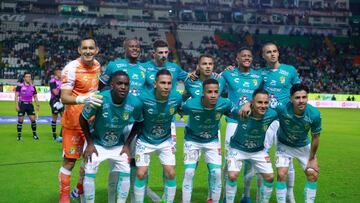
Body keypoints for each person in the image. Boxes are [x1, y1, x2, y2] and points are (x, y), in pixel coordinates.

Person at [240, 43, 300, 203]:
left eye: (274, 51)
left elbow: (298, 92)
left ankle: (290, 196)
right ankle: (248, 194)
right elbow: (253, 92)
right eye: (268, 52)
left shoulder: (290, 71)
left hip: (285, 120)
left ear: (278, 53)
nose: (272, 54)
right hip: (265, 120)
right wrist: (248, 103)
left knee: (288, 158)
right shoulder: (260, 74)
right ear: (264, 56)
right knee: (256, 155)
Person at [80, 71, 143, 203]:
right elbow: (82, 118)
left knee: (126, 170)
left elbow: (139, 122)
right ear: (112, 85)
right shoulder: (100, 98)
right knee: (89, 170)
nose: (123, 87)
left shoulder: (135, 103)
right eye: (119, 83)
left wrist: (126, 144)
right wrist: (90, 143)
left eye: (126, 84)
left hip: (118, 145)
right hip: (97, 142)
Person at [59, 37, 102, 203]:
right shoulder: (71, 68)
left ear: (96, 50)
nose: (88, 51)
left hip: (91, 123)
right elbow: (64, 97)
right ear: (79, 50)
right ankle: (64, 198)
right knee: (70, 162)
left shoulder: (98, 65)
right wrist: (84, 99)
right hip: (73, 123)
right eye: (85, 48)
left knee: (89, 160)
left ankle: (79, 189)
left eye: (91, 48)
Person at [219, 47, 263, 203]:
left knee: (250, 161)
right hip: (233, 121)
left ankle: (246, 195)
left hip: (253, 123)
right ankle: (225, 195)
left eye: (249, 56)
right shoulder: (227, 74)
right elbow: (215, 91)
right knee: (229, 159)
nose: (247, 58)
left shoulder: (259, 76)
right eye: (243, 56)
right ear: (237, 58)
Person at [134, 69, 182, 203]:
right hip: (144, 140)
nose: (166, 86)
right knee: (140, 173)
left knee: (171, 173)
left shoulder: (176, 98)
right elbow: (136, 116)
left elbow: (183, 109)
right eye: (163, 83)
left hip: (165, 140)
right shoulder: (143, 97)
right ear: (155, 84)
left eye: (169, 83)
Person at [181, 78, 232, 203]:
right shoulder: (190, 104)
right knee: (189, 172)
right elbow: (178, 109)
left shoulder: (225, 103)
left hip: (212, 141)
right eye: (210, 92)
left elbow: (235, 111)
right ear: (203, 92)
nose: (213, 95)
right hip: (192, 141)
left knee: (217, 173)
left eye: (216, 92)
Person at [225, 89, 277, 203]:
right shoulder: (241, 112)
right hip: (237, 148)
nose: (263, 106)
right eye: (259, 102)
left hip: (258, 151)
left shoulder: (272, 114)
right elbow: (223, 107)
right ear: (253, 102)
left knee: (270, 177)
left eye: (266, 103)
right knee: (232, 176)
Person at [274, 84, 321, 203]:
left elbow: (315, 137)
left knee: (312, 174)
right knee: (281, 173)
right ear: (291, 99)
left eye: (304, 97)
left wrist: (312, 158)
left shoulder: (314, 114)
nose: (301, 101)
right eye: (297, 98)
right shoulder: (281, 108)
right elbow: (263, 107)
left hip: (303, 146)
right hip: (284, 145)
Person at [15, 72, 40, 141]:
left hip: (30, 105)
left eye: (29, 76)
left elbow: (35, 96)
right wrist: (16, 105)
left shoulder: (33, 86)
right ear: (24, 78)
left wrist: (37, 104)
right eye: (27, 76)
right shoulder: (20, 86)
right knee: (20, 120)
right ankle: (19, 136)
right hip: (22, 104)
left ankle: (34, 135)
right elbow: (16, 96)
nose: (28, 78)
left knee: (33, 120)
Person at [49, 67, 64, 140]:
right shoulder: (53, 81)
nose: (61, 74)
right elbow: (55, 92)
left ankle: (62, 134)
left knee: (64, 118)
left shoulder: (62, 81)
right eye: (60, 73)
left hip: (61, 101)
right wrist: (62, 88)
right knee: (54, 118)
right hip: (54, 101)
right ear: (56, 74)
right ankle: (54, 134)